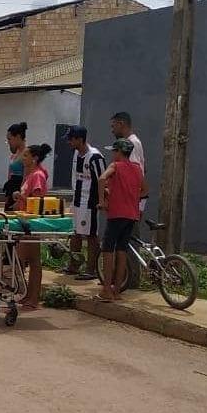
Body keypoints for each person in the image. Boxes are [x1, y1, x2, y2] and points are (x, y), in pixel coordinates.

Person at [98, 139, 149, 301]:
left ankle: (106, 289)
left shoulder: (115, 166)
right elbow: (145, 190)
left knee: (108, 250)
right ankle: (117, 290)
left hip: (116, 214)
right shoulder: (136, 169)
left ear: (119, 152)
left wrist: (101, 201)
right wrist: (131, 196)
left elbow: (101, 179)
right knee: (122, 251)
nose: (113, 154)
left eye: (114, 151)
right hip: (131, 216)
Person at [11, 143, 52, 310]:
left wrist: (20, 197)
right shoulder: (30, 175)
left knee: (33, 260)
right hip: (24, 222)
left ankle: (34, 298)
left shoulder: (38, 176)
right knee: (25, 259)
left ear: (34, 158)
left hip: (32, 224)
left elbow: (37, 201)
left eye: (26, 156)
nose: (23, 158)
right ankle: (28, 294)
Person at [64, 125, 106, 280]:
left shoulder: (95, 157)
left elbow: (103, 180)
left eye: (71, 139)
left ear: (80, 140)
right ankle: (74, 265)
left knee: (91, 235)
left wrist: (102, 200)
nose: (69, 142)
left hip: (90, 203)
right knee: (75, 233)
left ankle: (91, 269)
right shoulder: (76, 154)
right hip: (77, 200)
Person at [110, 112, 148, 216]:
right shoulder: (133, 142)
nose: (112, 130)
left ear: (121, 124)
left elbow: (134, 172)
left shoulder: (131, 143)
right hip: (132, 198)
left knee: (130, 230)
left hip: (132, 199)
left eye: (113, 126)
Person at [3, 122, 27, 211]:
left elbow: (25, 180)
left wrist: (20, 199)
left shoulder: (27, 154)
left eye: (9, 139)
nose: (8, 142)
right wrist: (7, 196)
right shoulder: (14, 154)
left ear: (17, 137)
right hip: (11, 191)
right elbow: (9, 176)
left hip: (19, 192)